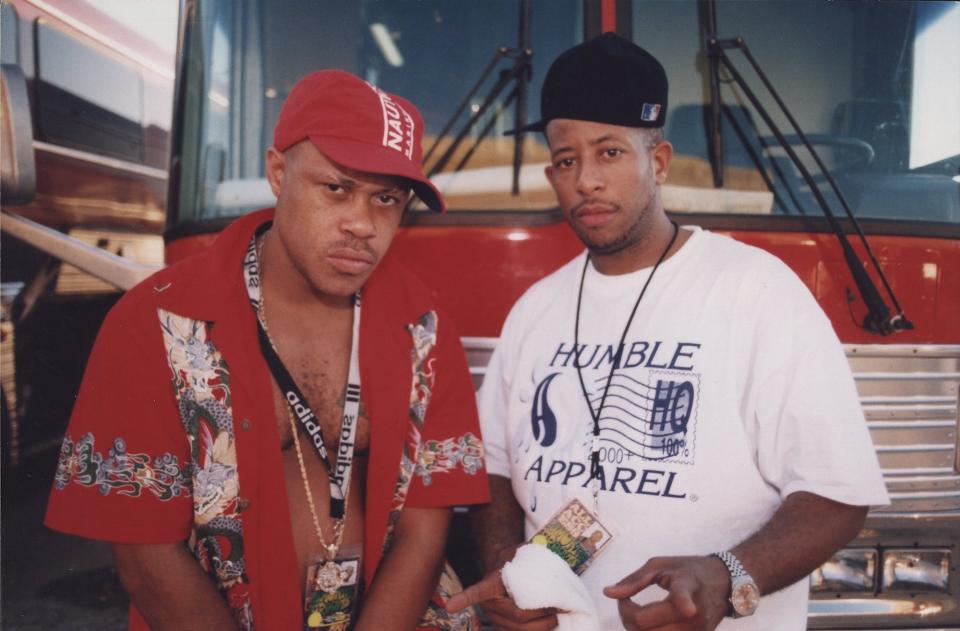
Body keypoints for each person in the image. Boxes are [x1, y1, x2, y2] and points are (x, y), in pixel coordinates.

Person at [446, 33, 888, 630]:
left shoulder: (756, 291)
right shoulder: (536, 308)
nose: (586, 181)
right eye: (567, 159)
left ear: (657, 161)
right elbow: (493, 464)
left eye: (609, 153)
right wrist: (508, 567)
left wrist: (729, 575)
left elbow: (837, 493)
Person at [45, 69, 489, 631]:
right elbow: (143, 553)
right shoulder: (158, 321)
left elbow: (426, 526)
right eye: (336, 188)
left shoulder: (423, 327)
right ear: (278, 172)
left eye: (386, 199)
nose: (362, 224)